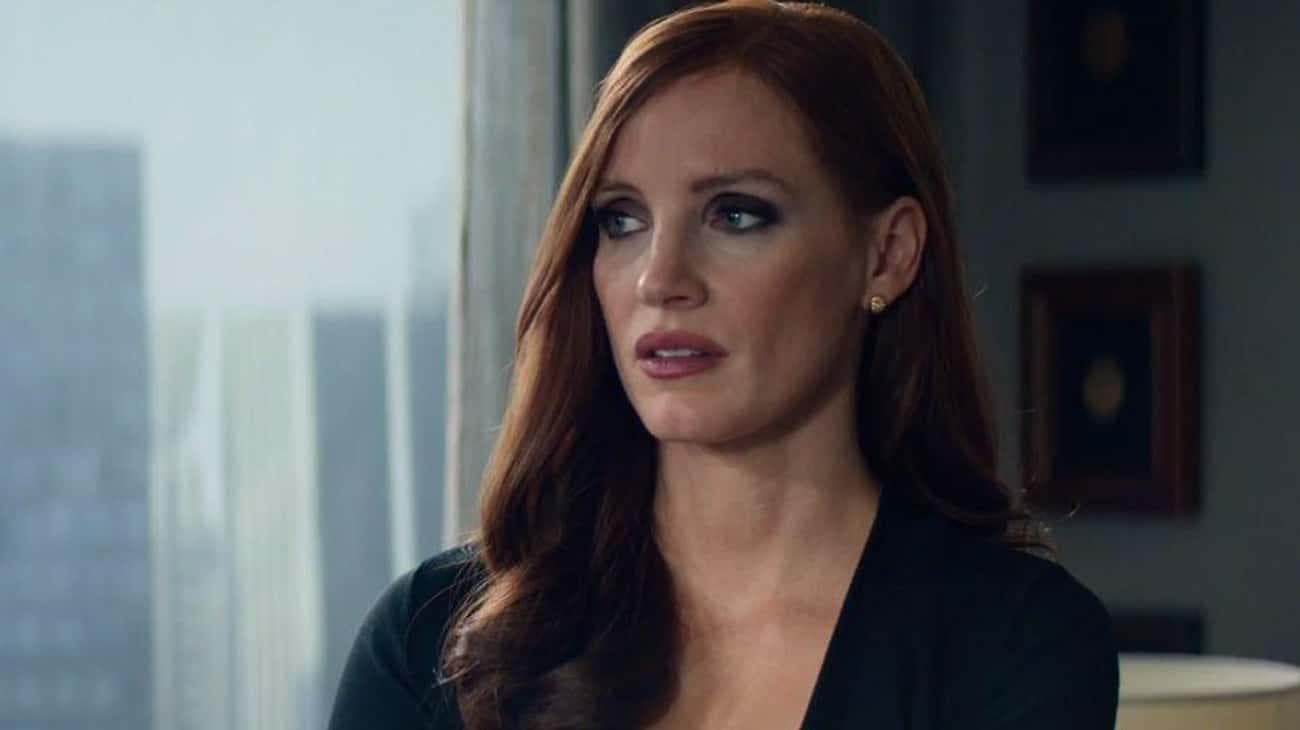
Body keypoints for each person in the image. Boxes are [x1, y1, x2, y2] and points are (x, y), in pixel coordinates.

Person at [328, 1, 1119, 728]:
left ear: (887, 254)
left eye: (736, 214)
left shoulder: (1014, 643)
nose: (660, 278)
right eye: (622, 220)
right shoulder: (432, 639)